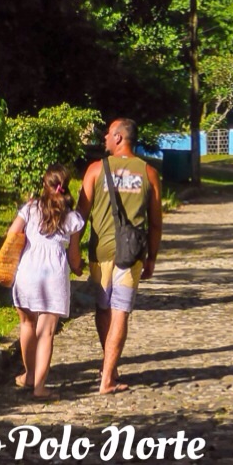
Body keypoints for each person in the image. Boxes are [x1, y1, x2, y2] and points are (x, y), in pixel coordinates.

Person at [76, 118, 163, 394]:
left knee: (103, 310)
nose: (104, 138)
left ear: (118, 137)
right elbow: (156, 222)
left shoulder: (94, 170)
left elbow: (79, 217)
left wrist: (73, 252)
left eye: (107, 134)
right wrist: (151, 258)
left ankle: (109, 370)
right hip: (132, 253)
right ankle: (108, 377)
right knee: (120, 312)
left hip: (100, 252)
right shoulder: (149, 173)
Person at [8, 164, 85, 400]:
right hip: (54, 275)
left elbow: (12, 234)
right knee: (47, 332)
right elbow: (74, 255)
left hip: (27, 272)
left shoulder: (30, 208)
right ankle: (40, 387)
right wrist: (77, 268)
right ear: (66, 186)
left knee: (27, 324)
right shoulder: (72, 218)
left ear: (45, 184)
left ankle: (29, 375)